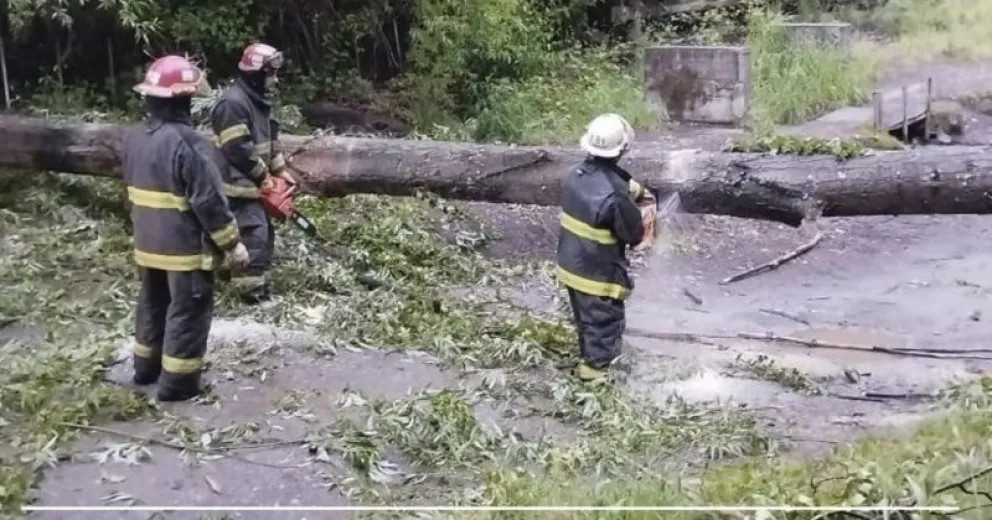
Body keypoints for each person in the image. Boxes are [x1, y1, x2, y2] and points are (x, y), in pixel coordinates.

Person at [123, 55, 250, 401]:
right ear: (184, 99)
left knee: (152, 305)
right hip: (184, 251)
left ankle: (144, 370)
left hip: (147, 245)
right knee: (187, 312)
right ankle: (178, 385)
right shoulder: (190, 144)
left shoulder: (134, 138)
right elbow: (209, 202)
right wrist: (232, 244)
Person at [556, 113, 656, 382]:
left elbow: (604, 184)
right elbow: (634, 235)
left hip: (571, 267)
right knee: (603, 328)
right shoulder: (615, 197)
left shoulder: (575, 175)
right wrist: (643, 218)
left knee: (587, 322)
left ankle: (590, 358)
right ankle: (595, 380)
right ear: (623, 148)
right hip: (597, 279)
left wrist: (631, 190)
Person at [209, 43, 294, 304]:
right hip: (236, 185)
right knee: (253, 235)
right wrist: (263, 176)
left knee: (261, 233)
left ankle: (228, 276)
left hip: (251, 184)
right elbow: (237, 149)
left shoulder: (257, 101)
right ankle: (251, 294)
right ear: (256, 73)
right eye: (271, 74)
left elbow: (269, 138)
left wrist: (280, 170)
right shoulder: (232, 103)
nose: (275, 80)